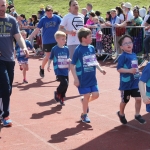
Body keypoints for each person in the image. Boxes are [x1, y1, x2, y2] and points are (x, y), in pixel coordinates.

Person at [0, 0, 29, 127]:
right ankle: (5, 115)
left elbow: (18, 36)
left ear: (6, 6)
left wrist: (23, 47)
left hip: (10, 59)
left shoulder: (11, 20)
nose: (1, 7)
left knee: (8, 88)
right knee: (5, 87)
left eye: (2, 5)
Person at [70, 27, 106, 123]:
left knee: (96, 95)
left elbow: (94, 61)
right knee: (86, 95)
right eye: (90, 36)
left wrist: (100, 69)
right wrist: (75, 79)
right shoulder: (78, 50)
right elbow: (72, 65)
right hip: (83, 78)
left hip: (92, 77)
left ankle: (84, 102)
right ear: (83, 38)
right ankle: (84, 115)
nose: (92, 38)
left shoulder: (91, 48)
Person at [116, 34, 146, 125]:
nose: (128, 44)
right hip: (126, 84)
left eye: (130, 42)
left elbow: (134, 67)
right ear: (121, 47)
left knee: (138, 99)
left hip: (135, 82)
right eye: (125, 43)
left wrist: (137, 72)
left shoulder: (134, 55)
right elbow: (119, 69)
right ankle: (121, 113)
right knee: (125, 100)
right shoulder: (123, 56)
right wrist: (129, 71)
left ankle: (137, 114)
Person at [28, 5, 62, 77]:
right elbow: (37, 29)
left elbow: (63, 25)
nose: (49, 15)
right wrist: (30, 37)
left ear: (52, 12)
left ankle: (58, 74)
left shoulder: (57, 18)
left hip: (56, 40)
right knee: (48, 56)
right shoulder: (43, 19)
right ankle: (42, 68)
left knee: (57, 57)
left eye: (50, 13)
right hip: (47, 41)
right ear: (46, 12)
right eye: (47, 13)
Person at [47, 31, 70, 105]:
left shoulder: (66, 48)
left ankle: (61, 97)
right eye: (62, 39)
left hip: (65, 69)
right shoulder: (55, 49)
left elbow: (68, 58)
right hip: (58, 70)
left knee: (66, 85)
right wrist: (48, 65)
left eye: (65, 39)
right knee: (64, 83)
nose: (64, 40)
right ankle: (58, 92)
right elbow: (50, 58)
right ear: (57, 39)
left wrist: (69, 62)